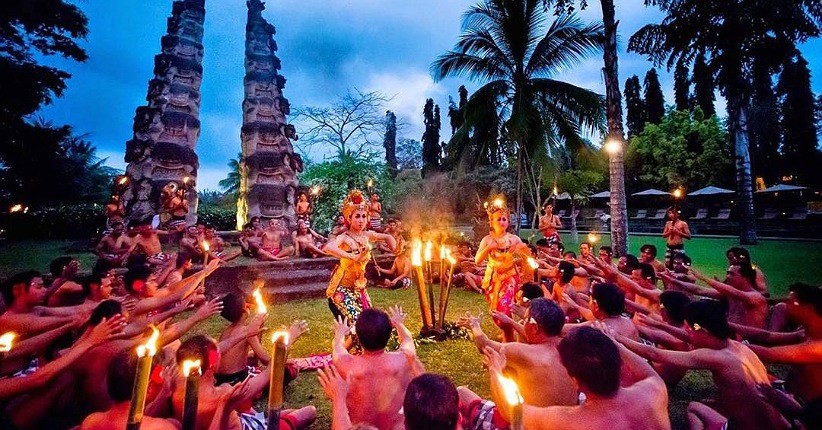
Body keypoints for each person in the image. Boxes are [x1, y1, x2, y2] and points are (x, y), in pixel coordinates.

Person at [613, 300, 789, 430]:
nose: (686, 331)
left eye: (689, 327)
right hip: (780, 423)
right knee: (706, 404)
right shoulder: (740, 347)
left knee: (694, 408)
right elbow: (687, 337)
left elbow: (654, 353)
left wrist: (617, 340)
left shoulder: (714, 357)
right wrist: (658, 324)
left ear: (703, 331)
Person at [482, 326, 671, 430]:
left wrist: (495, 370)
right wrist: (614, 344)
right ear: (620, 363)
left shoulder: (568, 421)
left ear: (574, 380)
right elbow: (648, 371)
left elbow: (510, 411)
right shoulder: (654, 391)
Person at [166, 335, 316, 430]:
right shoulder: (222, 393)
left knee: (286, 412)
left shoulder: (176, 381)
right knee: (309, 411)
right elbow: (270, 371)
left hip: (241, 419)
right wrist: (288, 340)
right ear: (213, 361)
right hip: (248, 427)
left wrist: (246, 333)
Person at [458, 298, 578, 409]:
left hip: (530, 423)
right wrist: (510, 322)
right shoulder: (573, 349)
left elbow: (484, 345)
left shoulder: (524, 353)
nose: (522, 323)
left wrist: (475, 326)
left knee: (462, 392)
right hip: (566, 420)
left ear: (534, 327)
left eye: (525, 320)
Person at [331, 306, 423, 430]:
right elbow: (407, 339)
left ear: (357, 337)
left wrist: (340, 332)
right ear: (389, 334)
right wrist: (398, 324)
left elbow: (337, 346)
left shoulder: (345, 364)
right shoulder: (404, 359)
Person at [323, 190, 396, 325]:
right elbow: (328, 248)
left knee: (370, 321)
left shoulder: (367, 235)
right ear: (349, 219)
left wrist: (391, 240)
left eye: (364, 216)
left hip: (359, 288)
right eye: (357, 216)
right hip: (341, 289)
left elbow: (386, 236)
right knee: (359, 324)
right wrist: (349, 255)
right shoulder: (344, 237)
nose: (361, 220)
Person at [747, 283, 822, 403]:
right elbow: (767, 336)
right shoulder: (805, 331)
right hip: (789, 391)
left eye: (791, 303)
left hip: (806, 410)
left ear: (809, 308)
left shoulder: (818, 346)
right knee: (750, 374)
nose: (786, 307)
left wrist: (730, 344)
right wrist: (728, 326)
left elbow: (769, 354)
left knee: (743, 379)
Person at [79, 350, 181, 430]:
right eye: (161, 376)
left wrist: (163, 394)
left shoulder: (91, 422)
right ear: (148, 387)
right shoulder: (161, 428)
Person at [475, 197, 531, 342]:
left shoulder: (514, 239)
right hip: (493, 278)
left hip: (509, 277)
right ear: (492, 221)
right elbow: (477, 260)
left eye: (504, 219)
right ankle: (507, 330)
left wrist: (521, 249)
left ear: (508, 221)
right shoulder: (487, 240)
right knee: (495, 312)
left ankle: (509, 339)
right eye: (498, 219)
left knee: (504, 307)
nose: (501, 222)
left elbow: (528, 256)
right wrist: (489, 247)